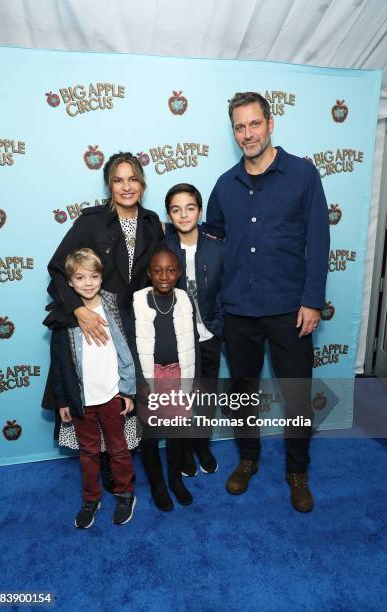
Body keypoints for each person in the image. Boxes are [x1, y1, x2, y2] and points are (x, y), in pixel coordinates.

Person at [203, 92, 330, 512]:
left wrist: (312, 300)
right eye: (239, 127)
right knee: (243, 394)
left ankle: (297, 470)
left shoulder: (303, 174)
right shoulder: (224, 185)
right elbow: (215, 245)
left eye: (254, 124)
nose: (247, 134)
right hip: (238, 311)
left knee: (296, 394)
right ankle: (247, 459)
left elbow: (318, 240)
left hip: (290, 310)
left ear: (270, 124)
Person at [45, 152, 164, 491]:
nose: (127, 187)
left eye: (133, 179)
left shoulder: (153, 222)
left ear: (142, 183)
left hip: (133, 325)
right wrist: (77, 310)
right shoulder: (91, 221)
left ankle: (125, 459)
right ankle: (107, 469)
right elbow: (57, 268)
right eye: (118, 179)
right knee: (97, 392)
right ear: (109, 185)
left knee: (124, 396)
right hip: (95, 323)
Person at [42, 248, 137, 528]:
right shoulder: (65, 315)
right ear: (69, 282)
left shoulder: (112, 305)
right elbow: (58, 363)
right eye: (80, 277)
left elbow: (125, 351)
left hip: (111, 396)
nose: (88, 282)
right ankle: (91, 499)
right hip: (81, 400)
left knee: (118, 450)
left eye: (94, 276)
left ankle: (125, 493)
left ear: (101, 277)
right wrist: (62, 401)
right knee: (89, 453)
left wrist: (128, 390)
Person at [133, 246, 201, 511]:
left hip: (179, 375)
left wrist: (194, 380)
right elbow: (129, 345)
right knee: (149, 436)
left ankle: (175, 479)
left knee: (178, 433)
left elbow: (195, 341)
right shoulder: (137, 301)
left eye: (171, 270)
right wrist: (140, 383)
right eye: (158, 270)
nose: (164, 276)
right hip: (151, 378)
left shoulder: (185, 299)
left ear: (179, 273)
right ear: (149, 274)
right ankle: (157, 484)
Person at [165, 183, 224, 476]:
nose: (183, 214)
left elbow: (226, 289)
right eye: (176, 209)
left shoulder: (216, 246)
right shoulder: (163, 247)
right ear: (169, 215)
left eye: (190, 208)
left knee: (206, 394)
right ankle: (184, 446)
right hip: (178, 340)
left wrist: (219, 327)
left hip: (209, 335)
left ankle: (202, 443)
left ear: (200, 212)